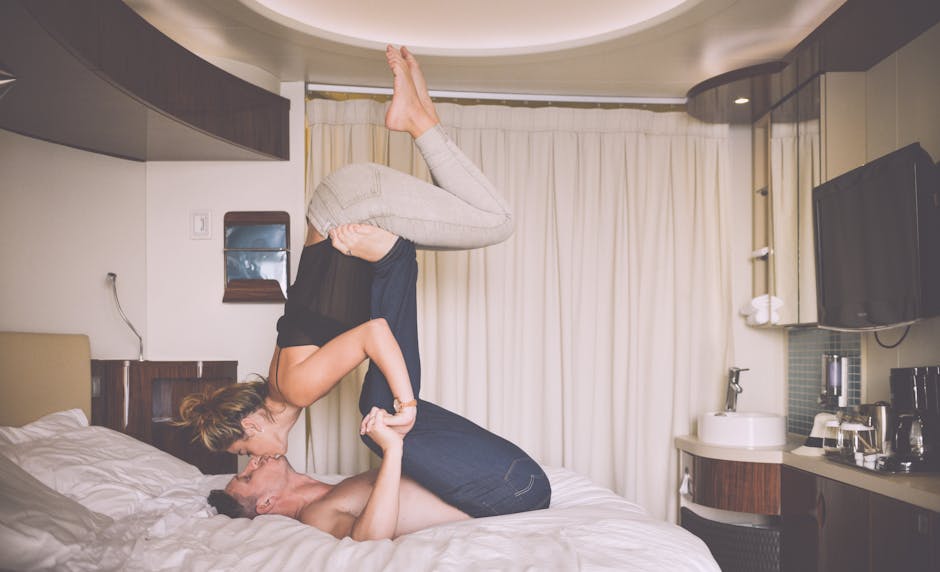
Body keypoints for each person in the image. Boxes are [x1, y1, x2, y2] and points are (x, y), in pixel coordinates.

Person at [181, 46, 550, 527]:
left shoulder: (294, 386)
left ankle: (417, 119)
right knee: (472, 216)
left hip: (352, 209)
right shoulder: (284, 384)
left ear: (250, 425)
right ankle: (421, 115)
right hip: (345, 208)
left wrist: (407, 406)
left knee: (497, 221)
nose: (253, 458)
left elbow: (375, 331)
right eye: (247, 462)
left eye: (243, 450)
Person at [212, 231, 550, 540]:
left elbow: (296, 319)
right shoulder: (315, 515)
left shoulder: (332, 490)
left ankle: (391, 262)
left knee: (380, 411)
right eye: (247, 474)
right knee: (379, 414)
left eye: (245, 460)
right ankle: (394, 262)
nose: (251, 463)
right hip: (511, 494)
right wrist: (392, 450)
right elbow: (370, 540)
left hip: (514, 477)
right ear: (268, 503)